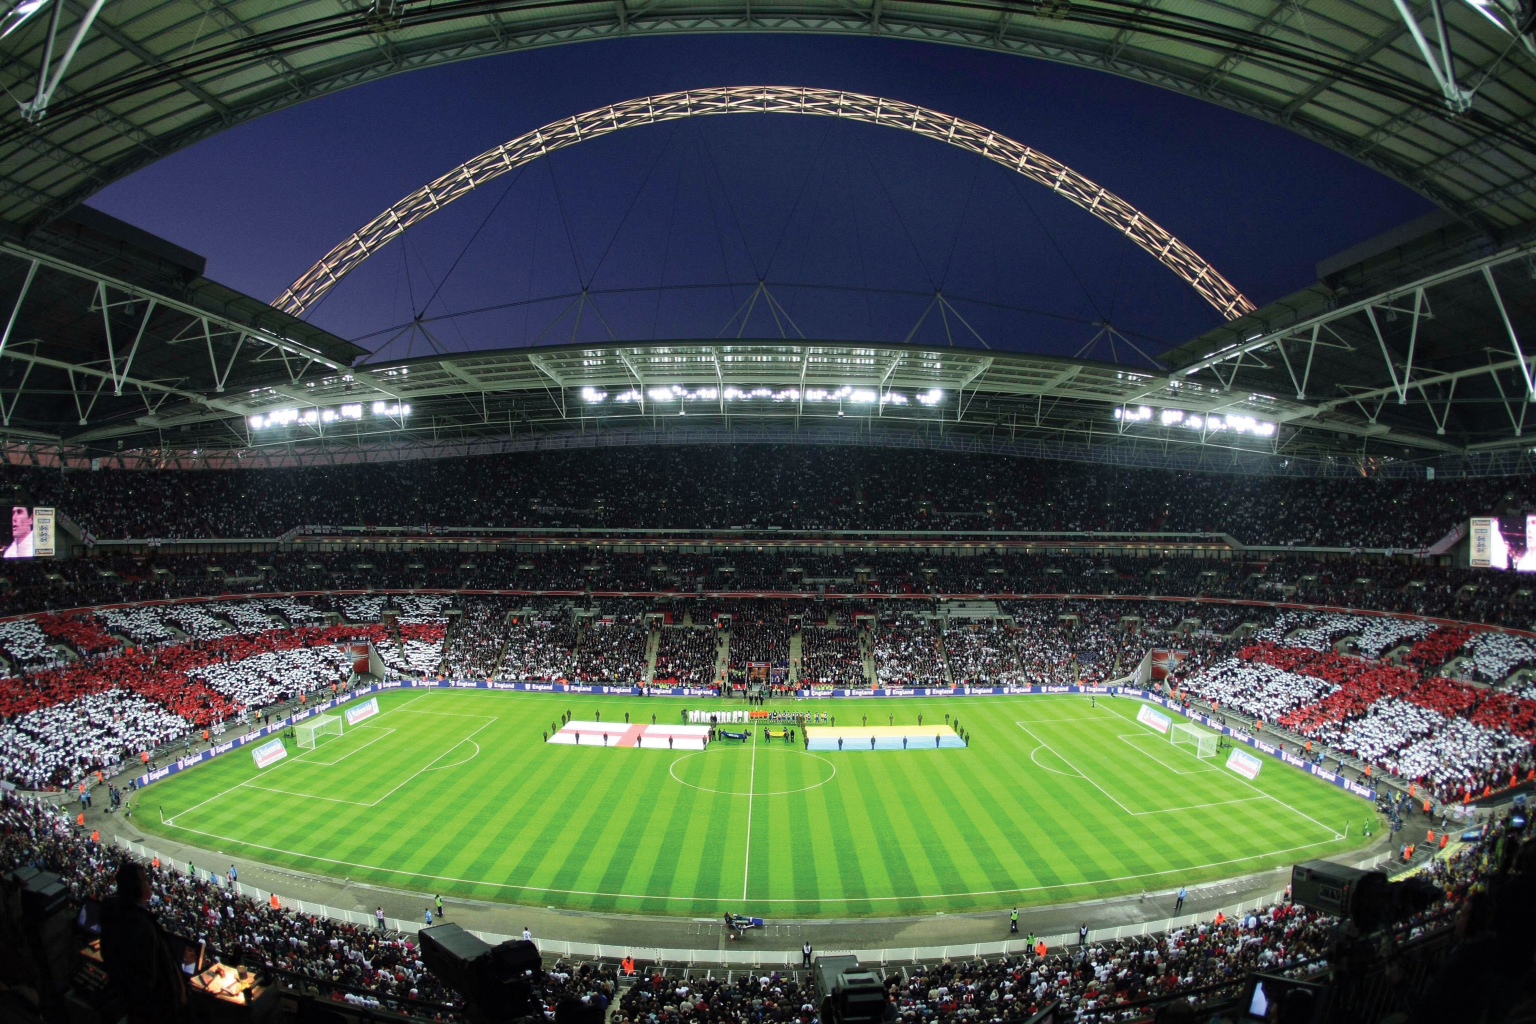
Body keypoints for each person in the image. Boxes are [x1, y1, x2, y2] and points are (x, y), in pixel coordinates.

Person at [100, 860, 188, 1023]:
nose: (150, 883)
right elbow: (147, 976)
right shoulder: (139, 924)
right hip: (154, 1010)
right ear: (137, 887)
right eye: (146, 880)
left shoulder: (114, 913)